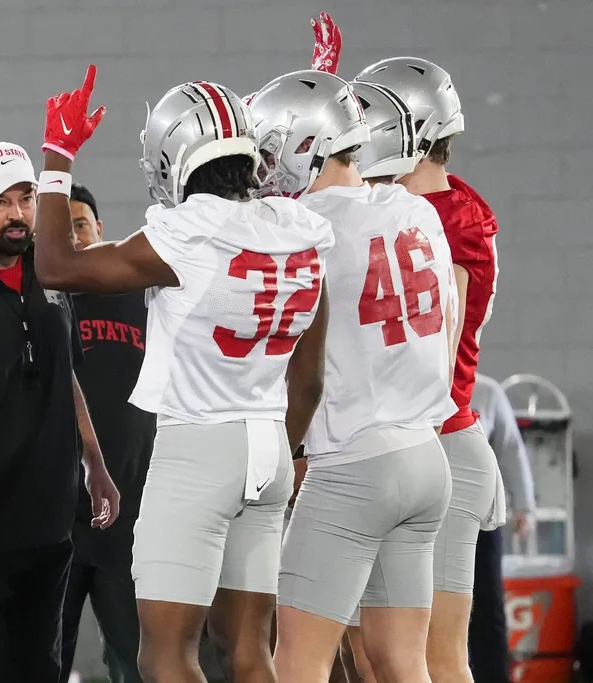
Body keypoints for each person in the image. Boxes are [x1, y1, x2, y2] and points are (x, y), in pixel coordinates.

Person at [34, 65, 334, 683]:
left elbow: (56, 266)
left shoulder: (187, 233)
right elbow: (309, 380)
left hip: (198, 447)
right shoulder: (298, 229)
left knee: (167, 655)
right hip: (271, 446)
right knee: (250, 653)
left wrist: (58, 159)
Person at [250, 69, 457, 683]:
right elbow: (446, 330)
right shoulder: (415, 209)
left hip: (355, 466)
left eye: (268, 151)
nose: (262, 170)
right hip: (426, 456)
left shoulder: (302, 230)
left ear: (299, 146)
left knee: (298, 663)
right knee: (403, 662)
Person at [0, 139, 119, 683]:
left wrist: (94, 461)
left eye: (26, 198)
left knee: (43, 672)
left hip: (48, 522)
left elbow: (63, 370)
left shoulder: (49, 267)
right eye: (1, 202)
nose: (17, 215)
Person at [356, 56, 504, 683]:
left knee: (436, 659)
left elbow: (439, 357)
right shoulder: (418, 203)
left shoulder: (451, 220)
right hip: (401, 448)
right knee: (374, 657)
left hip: (440, 443)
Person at [59, 183, 155, 683]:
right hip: (61, 523)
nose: (72, 237)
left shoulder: (144, 299)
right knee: (47, 661)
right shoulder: (44, 311)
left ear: (100, 230)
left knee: (135, 663)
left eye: (80, 224)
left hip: (132, 522)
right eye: (61, 228)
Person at [468, 373, 536, 683]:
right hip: (431, 519)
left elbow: (511, 450)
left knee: (487, 608)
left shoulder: (487, 392)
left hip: (481, 520)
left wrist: (524, 507)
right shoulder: (420, 383)